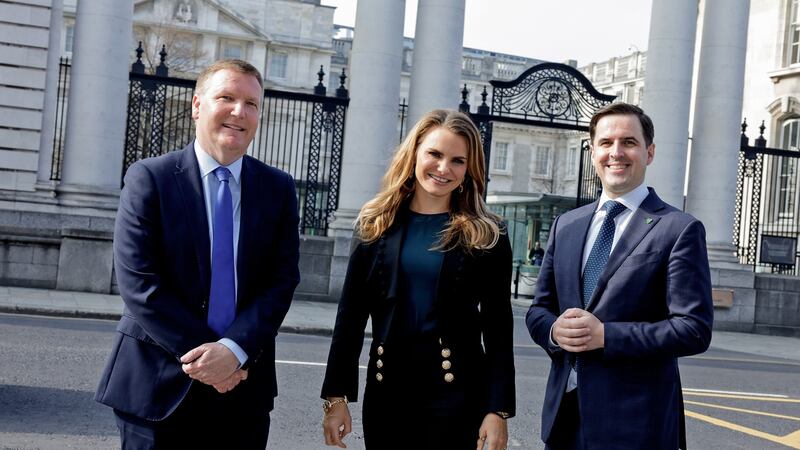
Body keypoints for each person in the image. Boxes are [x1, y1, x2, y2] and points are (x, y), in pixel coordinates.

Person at [95, 59, 300, 449]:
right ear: (196, 105)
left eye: (252, 103)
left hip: (242, 391)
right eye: (226, 97)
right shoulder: (149, 178)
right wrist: (212, 361)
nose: (240, 112)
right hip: (157, 389)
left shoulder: (278, 189)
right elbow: (139, 283)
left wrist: (233, 351)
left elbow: (282, 281)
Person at [320, 110, 515, 450]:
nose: (444, 169)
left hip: (457, 395)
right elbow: (350, 318)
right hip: (386, 394)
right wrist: (336, 398)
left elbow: (498, 328)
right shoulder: (374, 223)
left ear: (469, 169)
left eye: (457, 160)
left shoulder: (487, 233)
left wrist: (497, 410)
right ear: (414, 154)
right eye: (435, 154)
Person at [526, 103, 713, 449]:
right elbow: (539, 310)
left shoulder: (679, 229)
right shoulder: (566, 225)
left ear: (649, 152)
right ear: (593, 150)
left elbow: (693, 330)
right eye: (606, 142)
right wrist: (554, 331)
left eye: (629, 142)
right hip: (564, 418)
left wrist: (606, 336)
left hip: (637, 424)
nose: (616, 152)